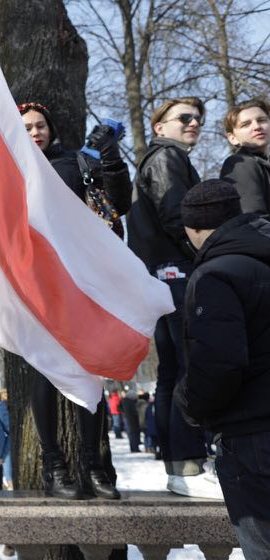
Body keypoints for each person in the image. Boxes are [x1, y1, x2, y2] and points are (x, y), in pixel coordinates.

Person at [20, 102, 128, 500]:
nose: (36, 132)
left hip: (85, 278)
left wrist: (110, 158)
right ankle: (53, 465)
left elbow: (119, 205)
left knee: (90, 369)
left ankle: (93, 463)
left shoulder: (76, 161)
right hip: (37, 280)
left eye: (41, 125)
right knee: (47, 369)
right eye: (27, 127)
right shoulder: (9, 164)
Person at [174, 179, 270, 556]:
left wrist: (189, 403)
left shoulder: (216, 275)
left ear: (192, 229)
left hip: (252, 441)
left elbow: (219, 363)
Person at [126, 96, 212, 498]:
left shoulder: (166, 158)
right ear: (159, 126)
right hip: (174, 271)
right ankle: (189, 465)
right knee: (185, 367)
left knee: (172, 369)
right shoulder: (165, 159)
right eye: (184, 117)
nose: (193, 122)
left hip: (162, 273)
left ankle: (180, 465)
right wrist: (209, 253)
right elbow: (178, 216)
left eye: (197, 118)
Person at [220, 99, 270, 217]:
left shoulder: (263, 164)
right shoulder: (239, 164)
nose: (257, 126)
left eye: (262, 120)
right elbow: (252, 220)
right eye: (246, 124)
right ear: (233, 138)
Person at [121, 387, 141, 454]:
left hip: (126, 418)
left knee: (130, 434)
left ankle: (133, 448)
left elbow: (119, 408)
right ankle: (135, 448)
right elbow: (134, 412)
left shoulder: (123, 400)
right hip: (132, 420)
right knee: (134, 434)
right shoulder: (130, 402)